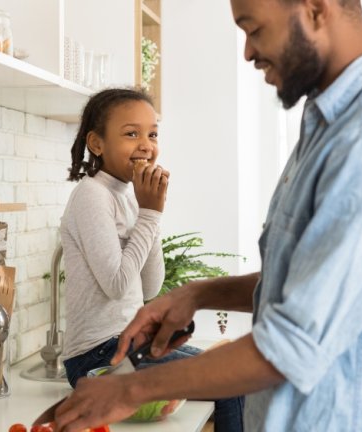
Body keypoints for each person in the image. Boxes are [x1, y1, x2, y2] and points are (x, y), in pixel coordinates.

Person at [53, 0, 362, 431]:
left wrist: (130, 389)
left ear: (316, 10)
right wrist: (197, 293)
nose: (247, 52)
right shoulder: (330, 128)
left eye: (254, 29)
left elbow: (292, 342)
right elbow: (306, 283)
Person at [58, 88, 244, 431]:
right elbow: (116, 285)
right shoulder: (91, 195)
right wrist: (150, 214)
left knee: (231, 374)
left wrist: (150, 212)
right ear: (97, 144)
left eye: (152, 134)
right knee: (227, 385)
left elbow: (150, 285)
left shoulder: (126, 197)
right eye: (131, 134)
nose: (146, 144)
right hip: (96, 357)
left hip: (127, 345)